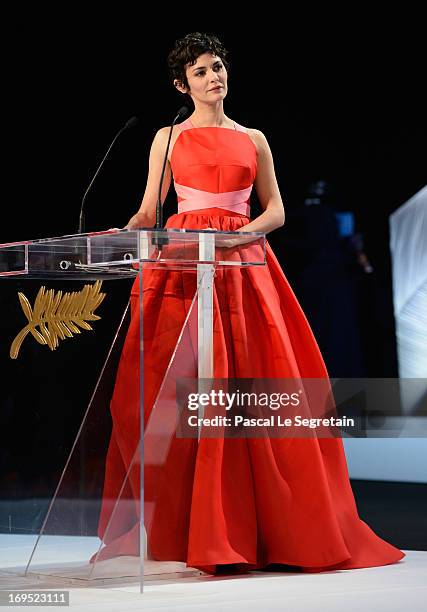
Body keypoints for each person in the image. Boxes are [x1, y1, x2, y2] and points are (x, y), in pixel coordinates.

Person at [93, 32, 405, 575]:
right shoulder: (167, 139)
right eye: (200, 72)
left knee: (253, 380)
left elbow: (278, 210)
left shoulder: (253, 138)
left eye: (217, 67)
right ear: (181, 84)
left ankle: (259, 526)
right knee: (170, 386)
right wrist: (112, 240)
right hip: (184, 265)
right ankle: (193, 524)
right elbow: (148, 210)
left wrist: (240, 237)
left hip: (243, 263)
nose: (213, 77)